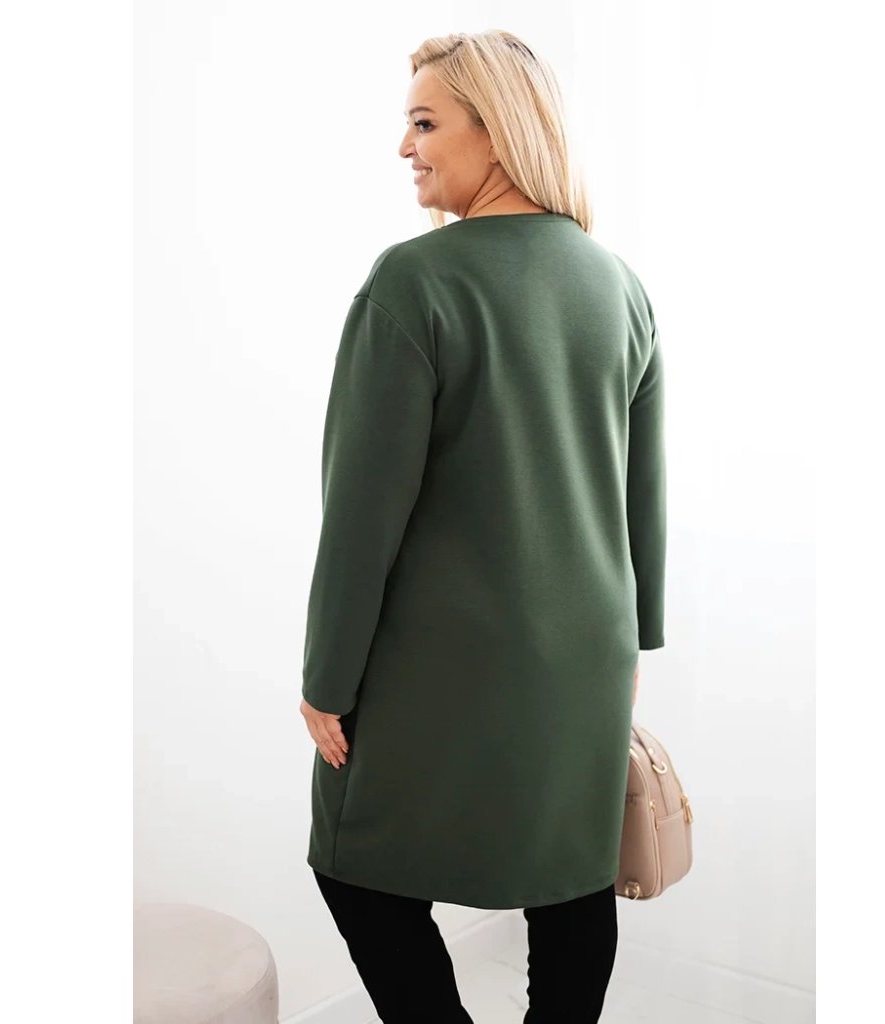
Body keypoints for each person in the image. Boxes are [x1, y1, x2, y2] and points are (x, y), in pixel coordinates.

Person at [298, 29, 666, 1024]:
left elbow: (361, 513)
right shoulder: (618, 284)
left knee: (354, 868)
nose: (404, 147)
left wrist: (326, 678)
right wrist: (634, 643)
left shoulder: (415, 282)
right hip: (587, 656)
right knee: (572, 879)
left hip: (442, 661)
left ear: (495, 130)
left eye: (424, 122)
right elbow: (642, 493)